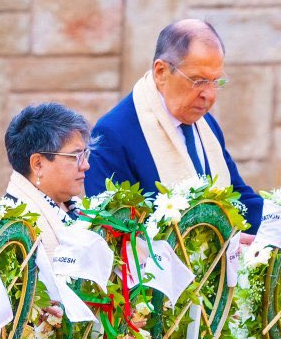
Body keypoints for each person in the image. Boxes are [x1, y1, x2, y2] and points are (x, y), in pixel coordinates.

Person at [85, 19, 264, 231]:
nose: (209, 95)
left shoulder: (206, 124)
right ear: (161, 72)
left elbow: (237, 196)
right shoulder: (113, 133)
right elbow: (112, 230)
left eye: (216, 81)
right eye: (198, 81)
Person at [0, 101, 91, 252]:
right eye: (75, 156)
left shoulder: (75, 208)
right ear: (37, 164)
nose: (86, 165)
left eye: (85, 154)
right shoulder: (11, 229)